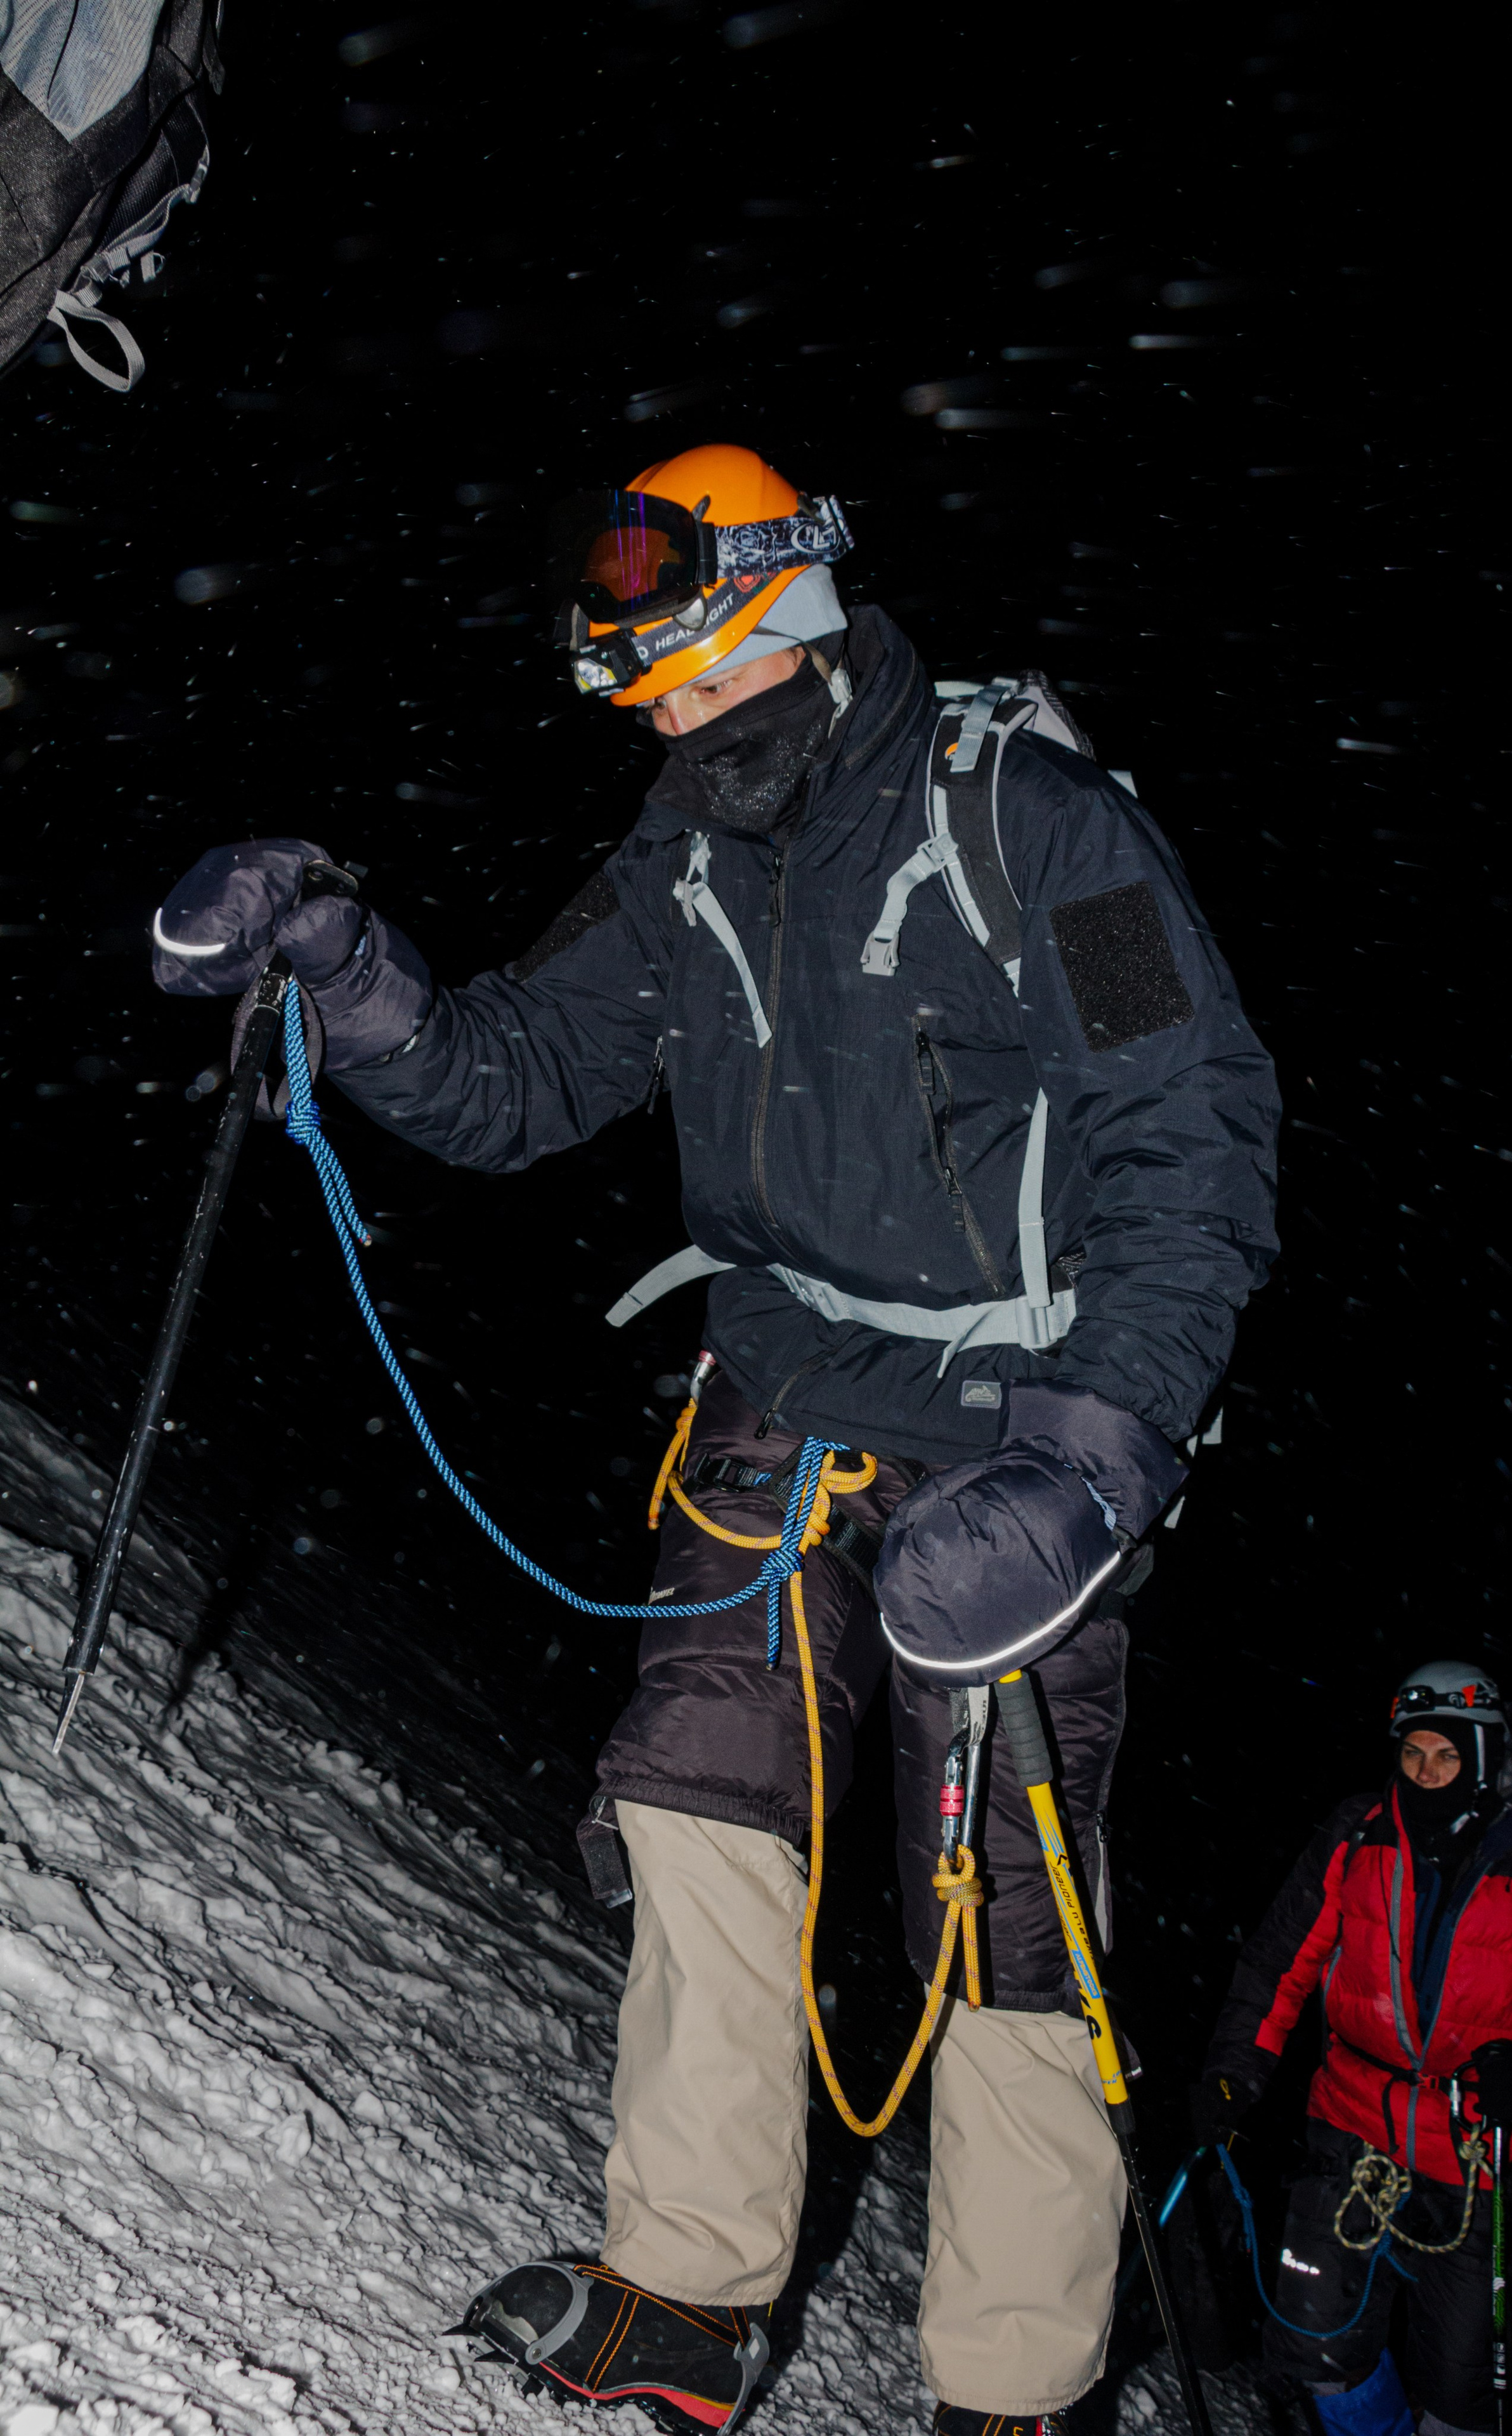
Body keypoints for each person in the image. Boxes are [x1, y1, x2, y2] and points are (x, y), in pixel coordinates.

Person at [151, 445, 1281, 2434]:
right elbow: (513, 1076)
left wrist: (1101, 1451)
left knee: (1011, 1911)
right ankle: (685, 2286)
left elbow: (1189, 1126)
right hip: (768, 1411)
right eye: (642, 697)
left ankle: (1015, 2385)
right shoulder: (676, 863)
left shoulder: (1041, 826)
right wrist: (350, 967)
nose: (667, 722)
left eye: (686, 679)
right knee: (695, 1812)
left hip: (1013, 1440)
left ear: (788, 613)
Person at [1194, 1660, 1512, 2436]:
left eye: (1448, 1756)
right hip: (1352, 2128)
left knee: (1460, 2398)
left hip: (1477, 2155)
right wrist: (1234, 2070)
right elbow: (1278, 1963)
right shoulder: (1358, 1837)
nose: (1427, 1774)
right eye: (1413, 1753)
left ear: (1483, 1759)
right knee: (1315, 2344)